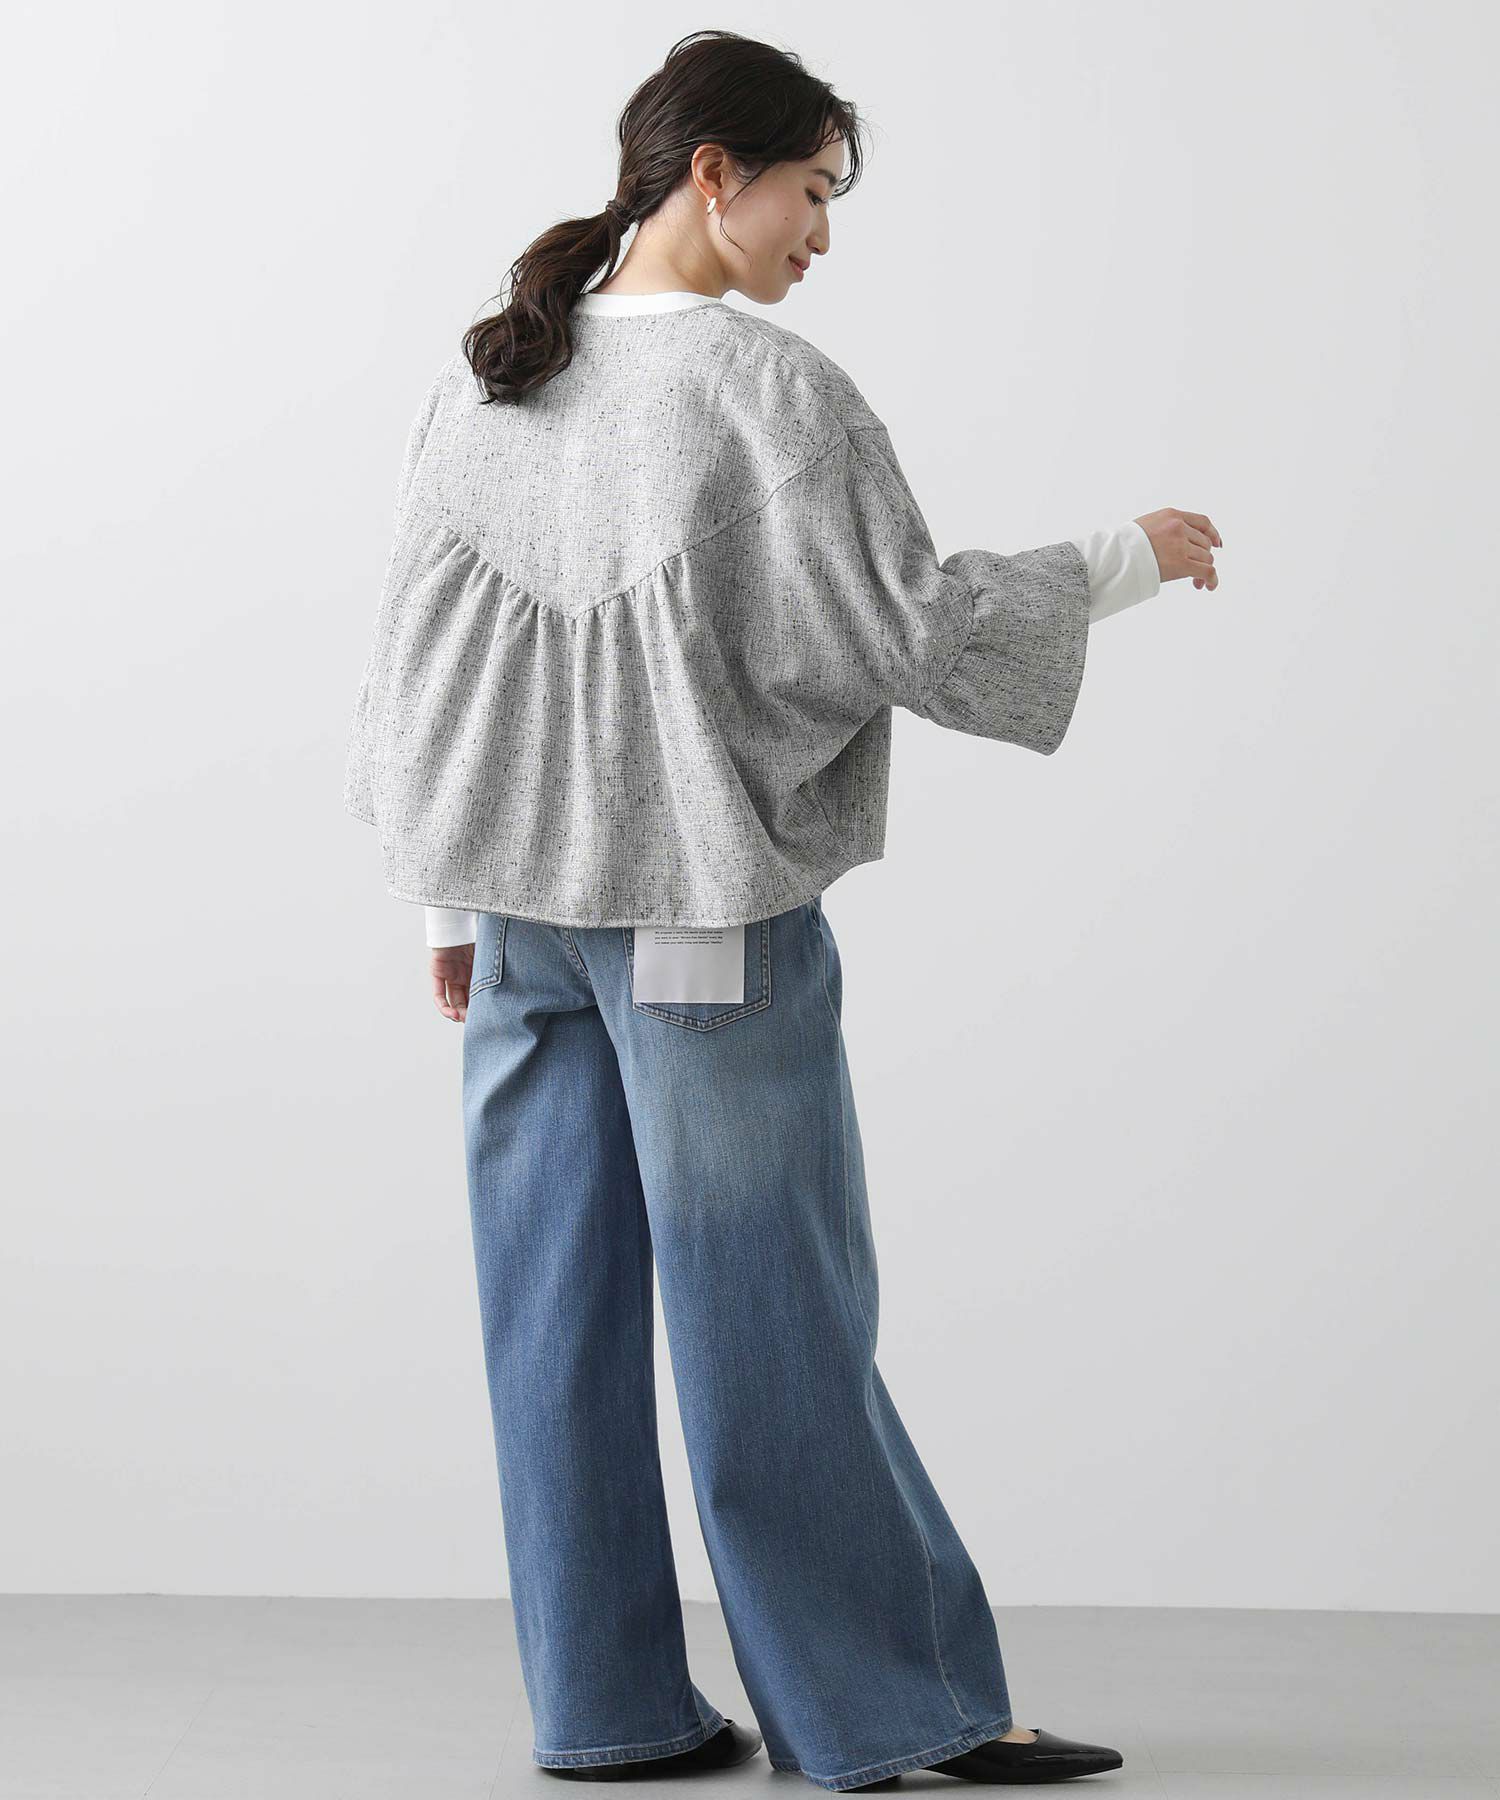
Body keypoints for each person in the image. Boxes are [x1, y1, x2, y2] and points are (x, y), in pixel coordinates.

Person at [343, 29, 1220, 1792]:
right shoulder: (768, 390)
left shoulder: (498, 370)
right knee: (774, 1317)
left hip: (515, 927)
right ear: (713, 173)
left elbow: (425, 665)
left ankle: (607, 1711)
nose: (822, 232)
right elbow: (910, 629)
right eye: (812, 190)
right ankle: (893, 1712)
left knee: (551, 1321)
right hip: (701, 925)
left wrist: (448, 903)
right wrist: (1123, 557)